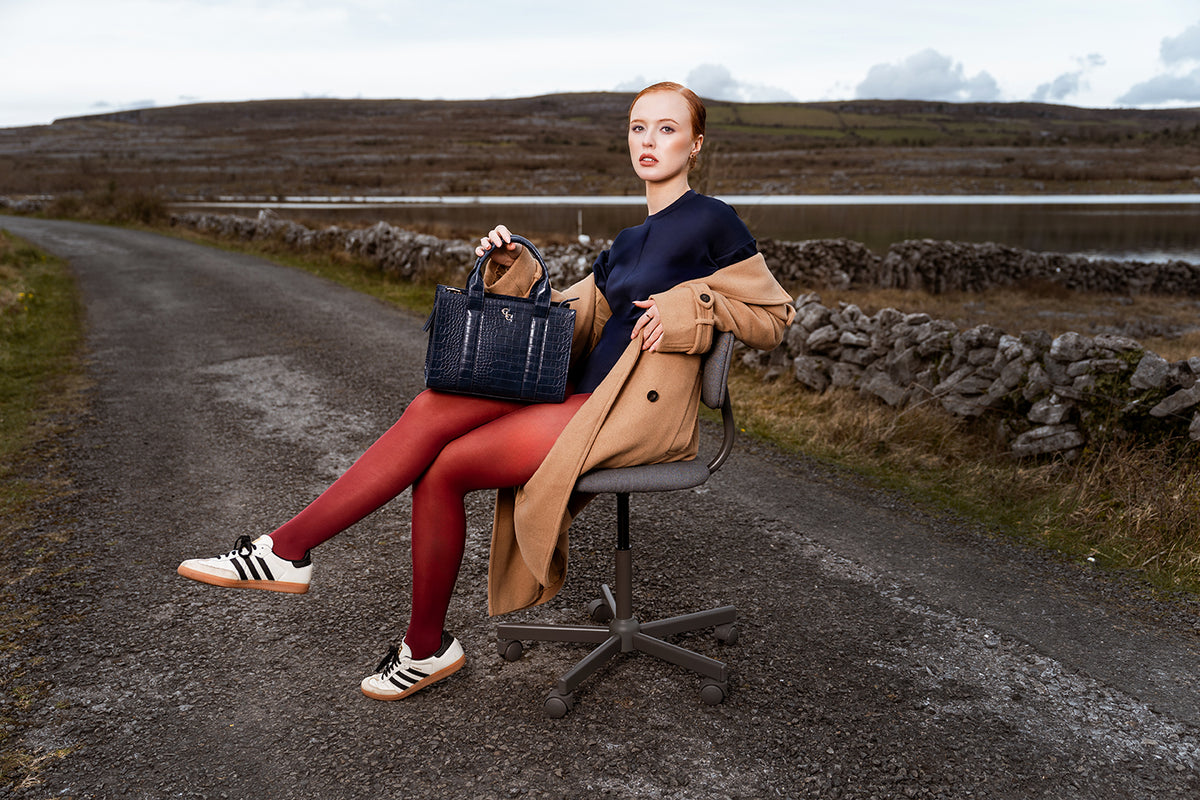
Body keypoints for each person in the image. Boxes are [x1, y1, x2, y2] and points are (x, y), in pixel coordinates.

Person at [177, 82, 795, 701]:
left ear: (695, 144)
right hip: (576, 388)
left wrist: (692, 306)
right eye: (639, 128)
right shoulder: (631, 240)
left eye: (667, 128)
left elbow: (773, 317)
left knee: (444, 470)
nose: (649, 141)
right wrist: (513, 266)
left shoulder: (713, 221)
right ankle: (291, 555)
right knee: (432, 408)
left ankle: (409, 636)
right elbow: (572, 315)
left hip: (625, 411)